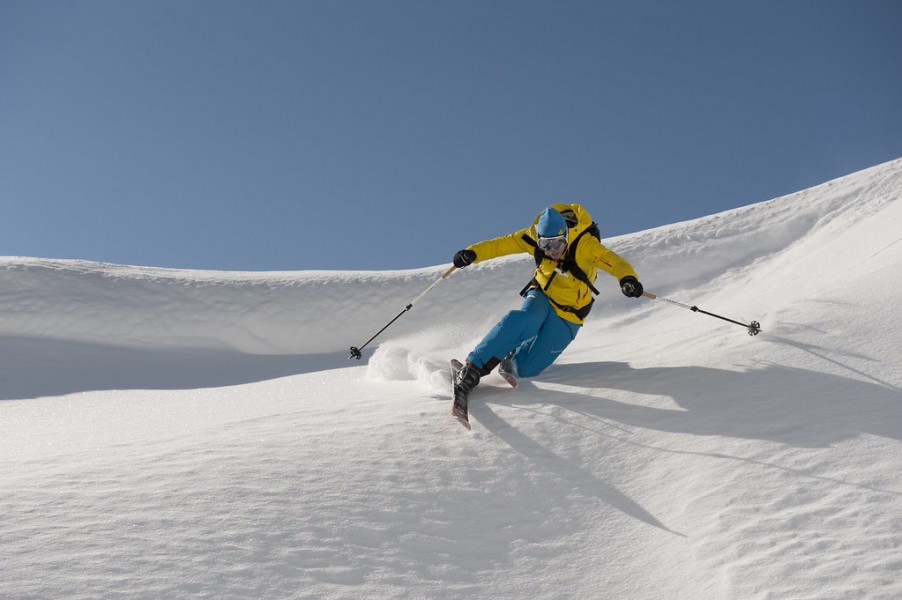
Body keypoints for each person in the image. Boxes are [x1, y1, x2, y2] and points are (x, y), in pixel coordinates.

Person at [450, 203, 644, 420]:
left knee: (528, 368)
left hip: (571, 313)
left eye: (557, 244)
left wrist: (628, 279)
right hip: (543, 294)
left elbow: (616, 263)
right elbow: (499, 245)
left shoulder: (586, 245)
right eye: (545, 245)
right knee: (526, 319)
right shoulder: (531, 236)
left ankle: (513, 358)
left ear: (566, 236)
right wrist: (472, 253)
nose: (552, 251)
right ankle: (472, 370)